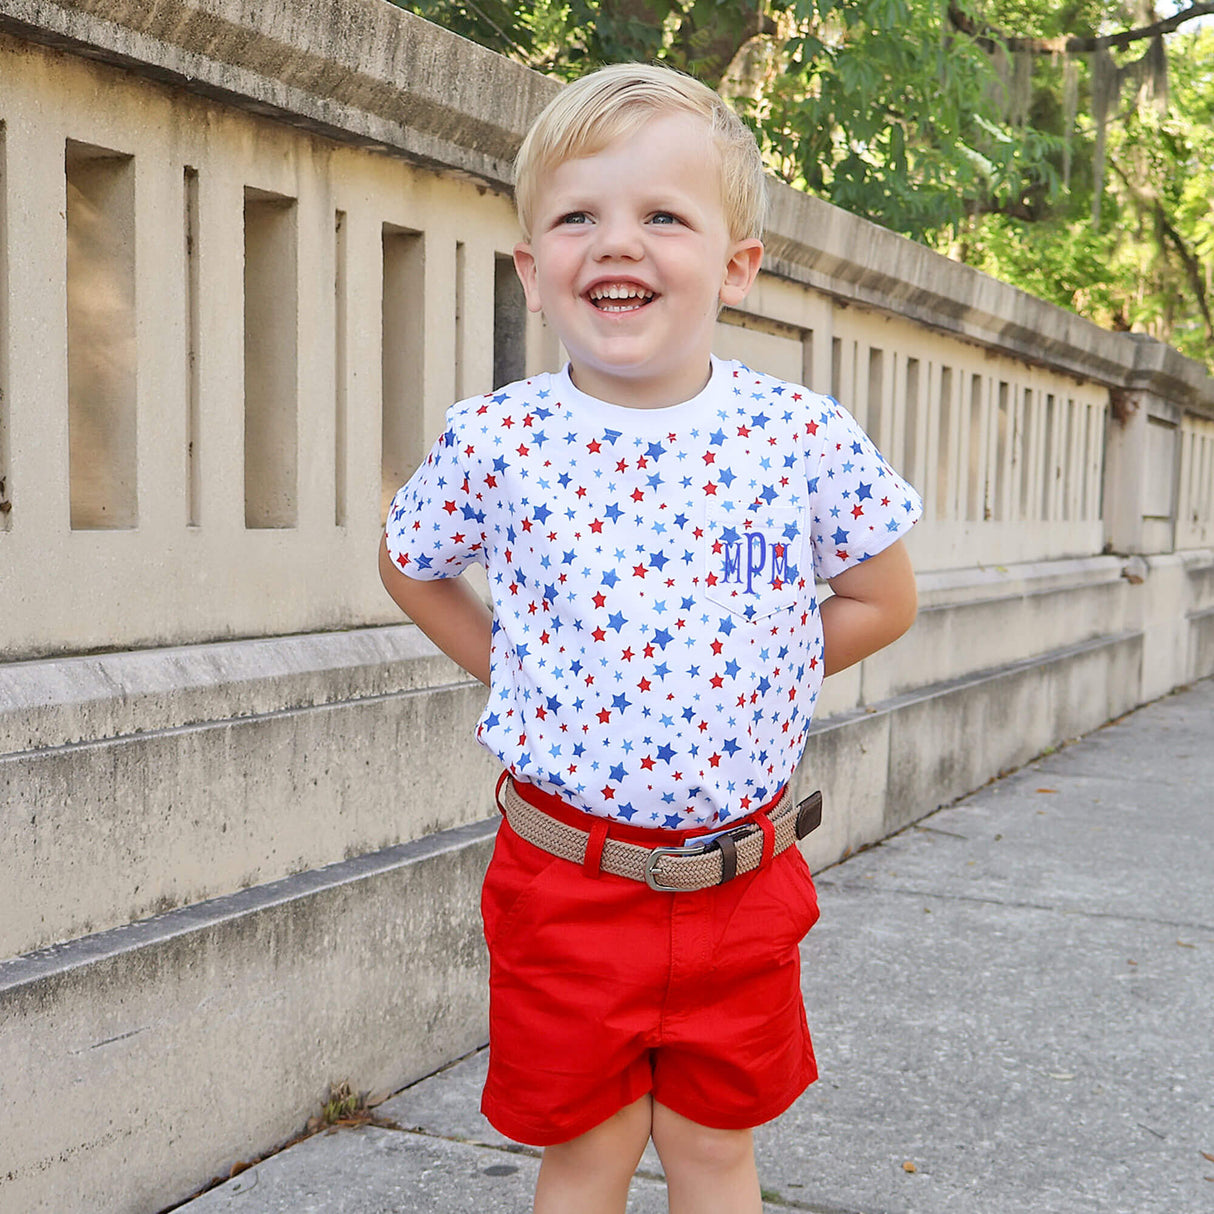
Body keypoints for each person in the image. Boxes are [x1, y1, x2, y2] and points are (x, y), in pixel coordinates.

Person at [379, 62, 921, 1214]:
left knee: (714, 1149)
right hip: (566, 878)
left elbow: (880, 597)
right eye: (577, 217)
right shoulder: (501, 438)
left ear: (735, 266)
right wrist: (509, 663)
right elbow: (409, 562)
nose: (615, 244)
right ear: (532, 268)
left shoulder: (797, 439)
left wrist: (763, 670)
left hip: (740, 881)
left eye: (661, 216)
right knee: (585, 1151)